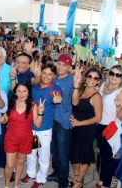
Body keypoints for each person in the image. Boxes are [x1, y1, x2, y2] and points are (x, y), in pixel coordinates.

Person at [20, 64, 62, 188]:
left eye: (50, 74)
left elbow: (58, 97)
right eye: (44, 73)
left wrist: (58, 99)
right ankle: (31, 174)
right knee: (31, 153)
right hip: (31, 127)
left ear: (54, 76)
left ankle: (41, 178)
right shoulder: (34, 88)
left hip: (44, 129)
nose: (46, 76)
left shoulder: (55, 89)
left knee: (43, 155)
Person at [3, 83, 44, 188]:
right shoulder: (11, 103)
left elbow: (38, 124)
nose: (21, 94)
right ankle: (7, 185)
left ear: (28, 92)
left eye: (24, 91)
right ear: (15, 92)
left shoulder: (33, 105)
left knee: (21, 162)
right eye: (19, 91)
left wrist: (40, 113)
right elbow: (5, 119)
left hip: (26, 139)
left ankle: (16, 184)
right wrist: (2, 119)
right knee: (10, 165)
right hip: (11, 138)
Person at [70, 67, 103, 188]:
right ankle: (78, 175)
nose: (92, 79)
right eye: (89, 76)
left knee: (84, 155)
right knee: (74, 154)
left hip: (87, 129)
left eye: (95, 78)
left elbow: (98, 118)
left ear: (98, 81)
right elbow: (74, 103)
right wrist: (76, 86)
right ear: (86, 77)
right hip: (75, 127)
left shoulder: (96, 96)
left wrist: (79, 123)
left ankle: (78, 181)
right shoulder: (82, 90)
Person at [96, 65, 122, 188]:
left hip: (112, 129)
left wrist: (119, 106)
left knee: (109, 157)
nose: (115, 77)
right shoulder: (104, 86)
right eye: (112, 73)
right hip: (100, 125)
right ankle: (103, 179)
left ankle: (107, 184)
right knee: (103, 155)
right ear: (108, 74)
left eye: (118, 75)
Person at [47, 54, 74, 188]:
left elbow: (76, 101)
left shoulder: (72, 81)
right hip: (52, 120)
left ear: (69, 67)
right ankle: (56, 173)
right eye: (59, 63)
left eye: (64, 65)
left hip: (64, 122)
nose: (60, 66)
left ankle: (63, 182)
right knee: (55, 151)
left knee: (63, 154)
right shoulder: (54, 78)